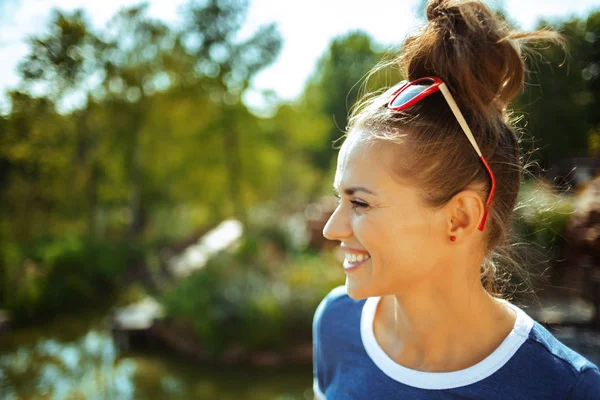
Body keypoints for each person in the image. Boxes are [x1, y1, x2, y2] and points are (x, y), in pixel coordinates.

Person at [312, 0, 600, 398]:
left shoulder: (566, 389)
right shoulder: (335, 325)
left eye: (359, 203)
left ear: (460, 218)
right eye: (340, 199)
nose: (332, 227)